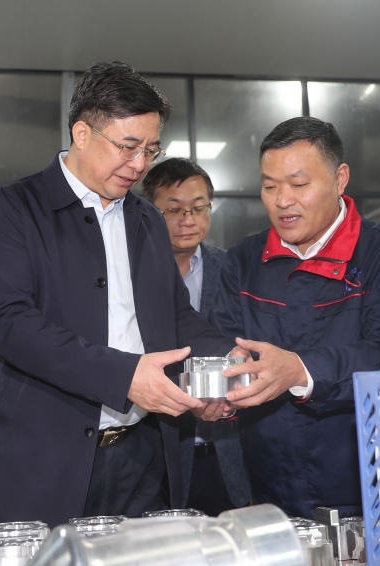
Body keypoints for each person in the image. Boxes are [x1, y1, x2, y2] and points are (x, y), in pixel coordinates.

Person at [0, 62, 234, 527]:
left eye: (150, 150)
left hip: (141, 459)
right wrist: (123, 375)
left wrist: (230, 360)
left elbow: (175, 315)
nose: (140, 165)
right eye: (128, 147)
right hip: (45, 463)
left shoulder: (146, 220)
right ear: (82, 133)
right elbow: (8, 323)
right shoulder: (12, 210)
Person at [213, 116, 380, 518]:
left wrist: (300, 370)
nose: (282, 200)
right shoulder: (243, 260)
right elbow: (224, 342)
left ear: (340, 178)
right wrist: (219, 392)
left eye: (298, 184)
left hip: (366, 487)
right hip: (268, 488)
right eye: (269, 186)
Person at [141, 158, 251, 516]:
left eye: (199, 208)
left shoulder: (233, 270)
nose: (188, 220)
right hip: (157, 458)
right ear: (148, 212)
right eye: (174, 210)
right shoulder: (131, 276)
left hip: (227, 455)